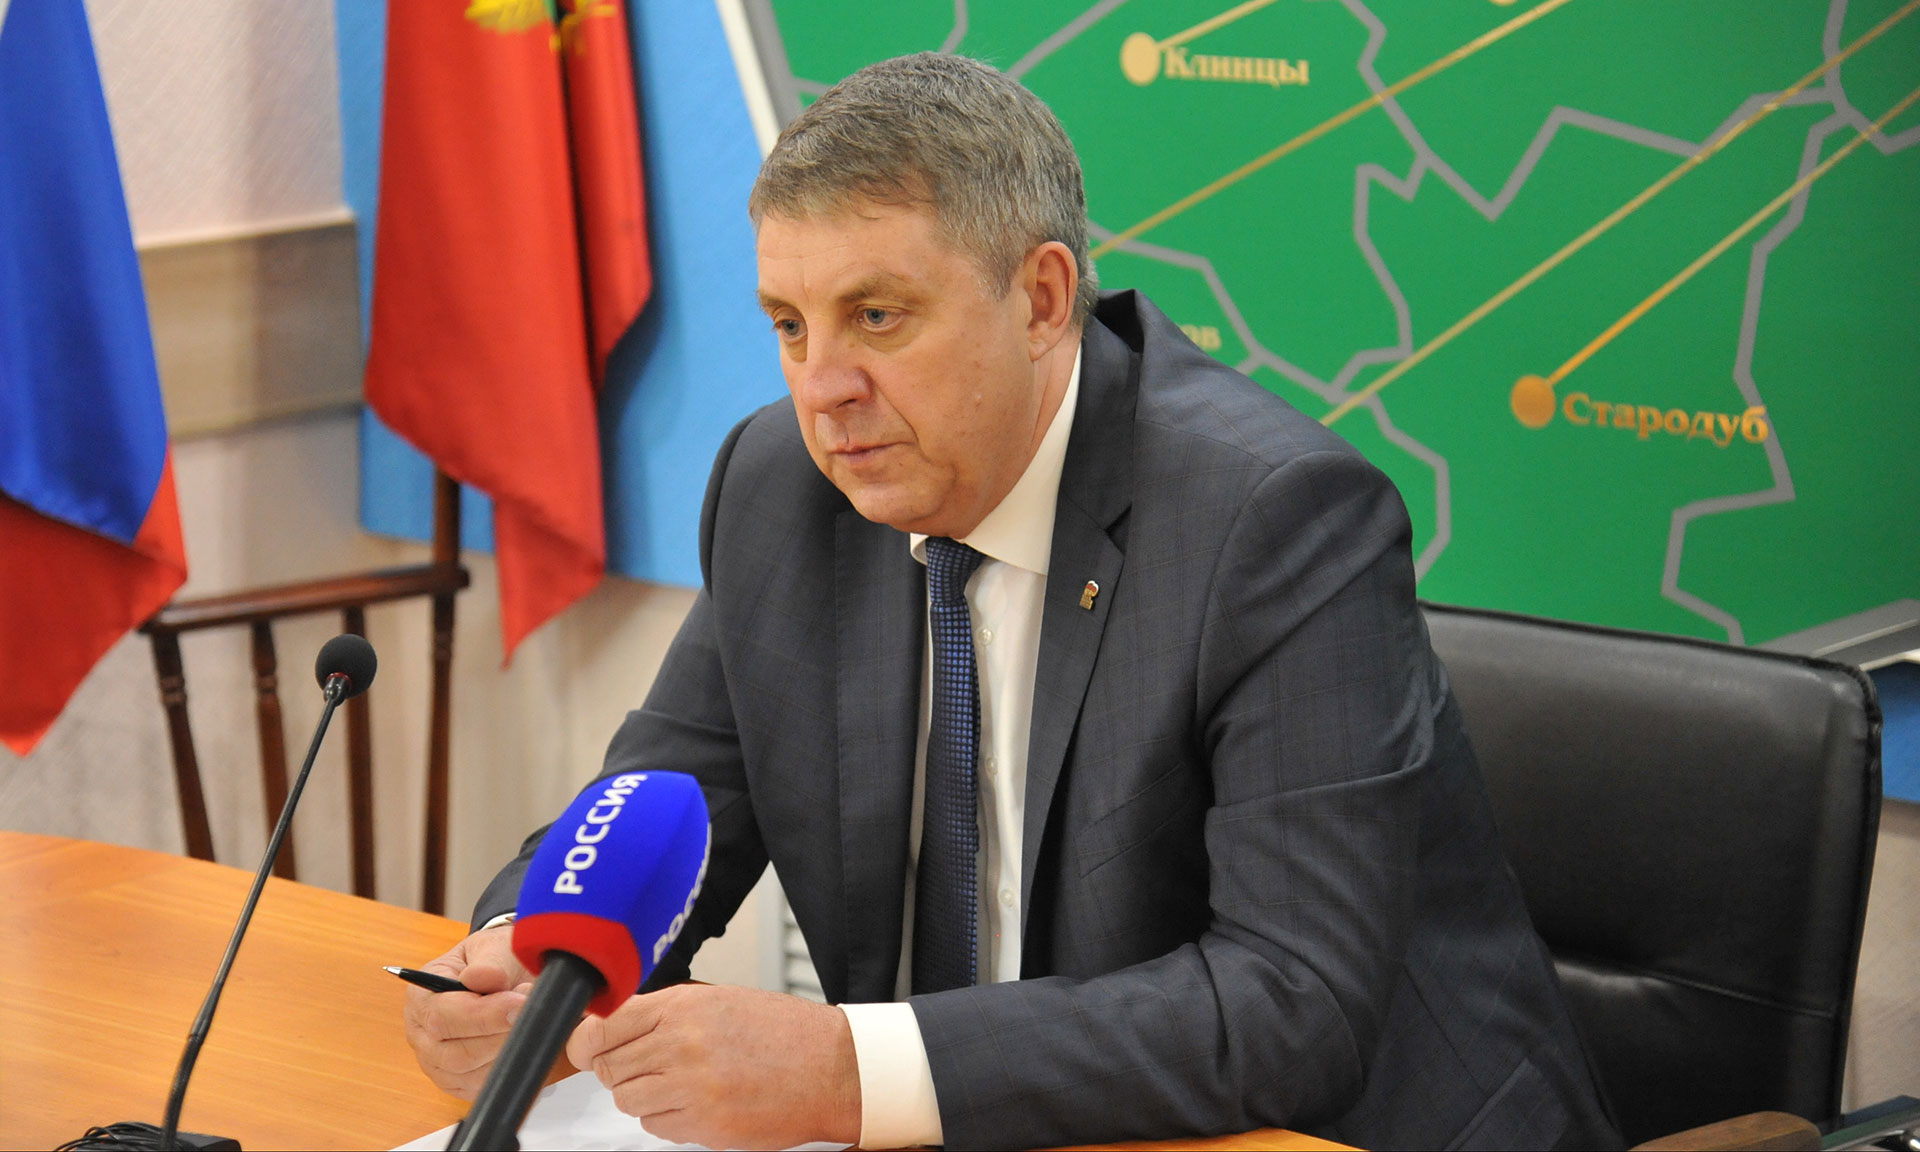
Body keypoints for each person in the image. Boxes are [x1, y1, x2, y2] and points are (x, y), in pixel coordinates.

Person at [403, 52, 1619, 1150]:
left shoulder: (1274, 522)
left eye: (877, 316)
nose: (822, 389)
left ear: (1041, 300)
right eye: (790, 325)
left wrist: (845, 1068)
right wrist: (528, 964)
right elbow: (660, 806)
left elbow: (1292, 1002)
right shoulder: (784, 489)